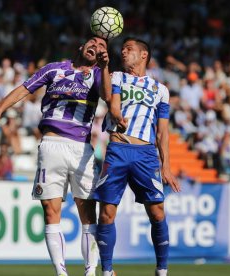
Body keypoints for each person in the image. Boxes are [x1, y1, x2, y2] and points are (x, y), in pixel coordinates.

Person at [0, 36, 109, 276]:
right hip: (51, 144)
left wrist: (106, 66)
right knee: (50, 211)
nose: (96, 47)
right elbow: (24, 89)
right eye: (92, 42)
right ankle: (61, 273)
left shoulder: (101, 75)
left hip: (81, 148)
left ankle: (90, 272)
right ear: (81, 47)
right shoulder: (54, 69)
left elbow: (110, 97)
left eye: (102, 46)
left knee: (88, 213)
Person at [92, 38, 181, 276]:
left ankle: (162, 270)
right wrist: (104, 68)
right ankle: (107, 271)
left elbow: (162, 131)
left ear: (144, 55)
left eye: (128, 49)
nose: (123, 52)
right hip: (118, 150)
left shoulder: (160, 90)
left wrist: (167, 167)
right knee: (106, 211)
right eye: (122, 49)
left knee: (157, 211)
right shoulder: (118, 77)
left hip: (146, 154)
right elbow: (112, 104)